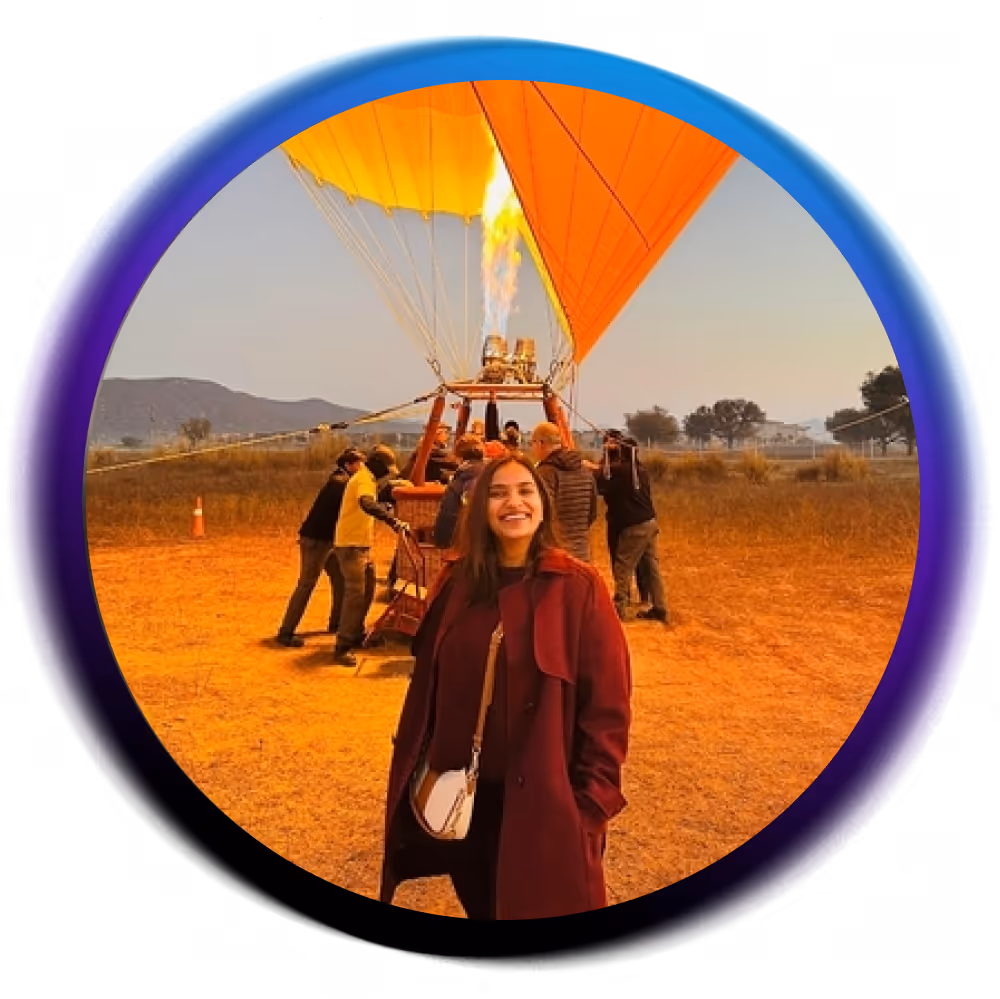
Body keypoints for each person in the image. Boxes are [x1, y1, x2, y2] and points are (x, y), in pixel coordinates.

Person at [379, 454, 632, 920]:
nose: (513, 502)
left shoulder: (578, 588)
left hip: (546, 804)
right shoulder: (457, 581)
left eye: (525, 491)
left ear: (542, 504)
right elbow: (428, 682)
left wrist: (589, 806)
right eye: (498, 494)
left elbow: (607, 707)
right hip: (463, 800)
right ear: (480, 509)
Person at [275, 447, 366, 647]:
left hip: (329, 540)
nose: (362, 468)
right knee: (306, 583)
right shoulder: (341, 483)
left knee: (340, 579)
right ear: (348, 465)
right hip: (317, 540)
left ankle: (337, 623)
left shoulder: (341, 480)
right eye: (359, 464)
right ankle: (286, 632)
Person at [332, 445, 410, 666]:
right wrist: (392, 521)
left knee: (367, 590)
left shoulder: (366, 479)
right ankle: (342, 645)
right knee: (355, 595)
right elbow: (366, 503)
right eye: (386, 469)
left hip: (360, 544)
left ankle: (356, 633)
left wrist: (384, 506)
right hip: (351, 545)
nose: (387, 474)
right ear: (377, 465)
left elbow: (369, 503)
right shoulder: (364, 480)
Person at [596, 434, 669, 623]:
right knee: (651, 567)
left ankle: (619, 609)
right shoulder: (640, 470)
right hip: (650, 523)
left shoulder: (620, 471)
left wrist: (593, 464)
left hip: (634, 527)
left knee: (622, 567)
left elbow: (600, 481)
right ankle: (660, 607)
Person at [529, 421, 598, 562]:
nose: (532, 448)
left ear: (541, 443)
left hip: (556, 554)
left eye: (532, 443)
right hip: (581, 552)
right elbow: (592, 512)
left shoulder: (545, 473)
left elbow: (540, 513)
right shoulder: (584, 470)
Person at [432, 434, 486, 549]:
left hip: (460, 541)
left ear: (459, 457)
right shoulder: (488, 474)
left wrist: (440, 541)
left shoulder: (462, 478)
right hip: (482, 540)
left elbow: (449, 515)